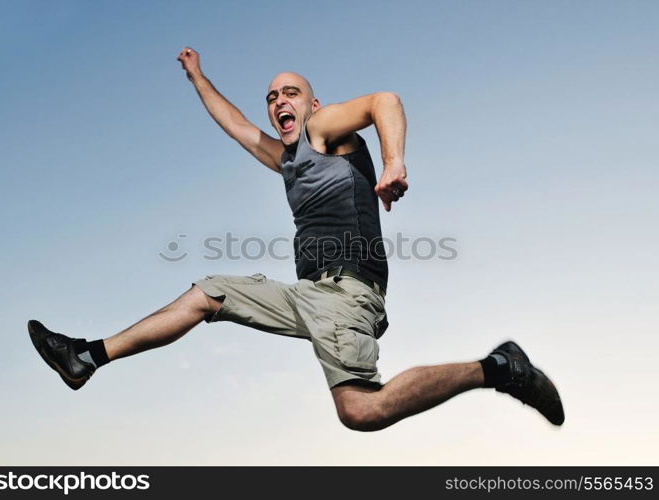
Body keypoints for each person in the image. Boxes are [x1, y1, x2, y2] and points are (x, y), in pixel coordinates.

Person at [28, 47, 564, 431]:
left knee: (361, 411)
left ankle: (500, 368)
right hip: (306, 293)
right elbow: (236, 125)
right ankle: (87, 357)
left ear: (312, 104)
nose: (279, 101)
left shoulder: (324, 129)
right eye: (271, 97)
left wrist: (395, 161)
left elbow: (385, 100)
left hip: (348, 294)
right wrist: (197, 78)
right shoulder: (286, 158)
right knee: (207, 292)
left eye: (291, 92)